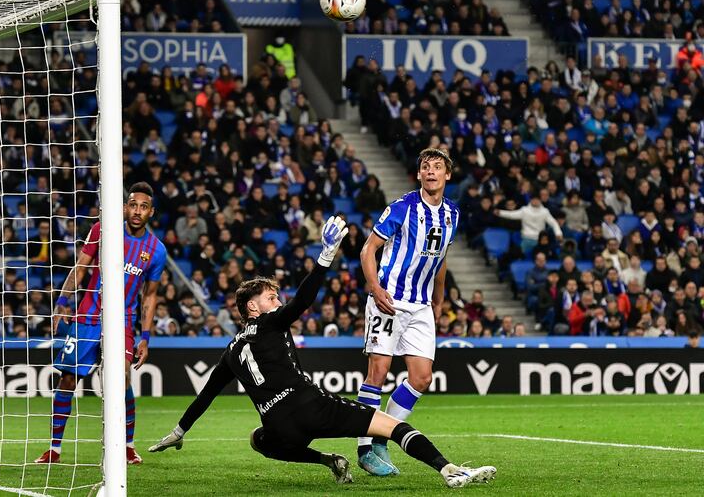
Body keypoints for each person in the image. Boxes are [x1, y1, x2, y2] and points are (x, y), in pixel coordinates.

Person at [148, 216, 495, 488]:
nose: (277, 301)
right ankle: (449, 470)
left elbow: (207, 394)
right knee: (393, 428)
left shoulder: (230, 350)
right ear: (252, 309)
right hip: (311, 407)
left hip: (279, 427)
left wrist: (179, 431)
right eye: (270, 298)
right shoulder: (271, 322)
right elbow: (303, 300)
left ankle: (328, 460)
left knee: (258, 440)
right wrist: (326, 256)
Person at [34, 182, 167, 465]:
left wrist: (145, 336)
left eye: (143, 207)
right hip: (87, 317)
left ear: (151, 213)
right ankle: (54, 450)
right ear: (124, 207)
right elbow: (80, 268)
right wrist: (62, 301)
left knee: (122, 380)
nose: (137, 211)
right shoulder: (102, 231)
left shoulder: (156, 251)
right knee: (67, 379)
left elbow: (150, 296)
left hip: (123, 324)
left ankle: (128, 447)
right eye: (133, 204)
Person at [355, 148, 460, 476]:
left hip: (421, 306)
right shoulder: (402, 207)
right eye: (426, 167)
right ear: (418, 175)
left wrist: (439, 302)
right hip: (389, 300)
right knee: (378, 373)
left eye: (437, 167)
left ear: (447, 176)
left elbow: (440, 261)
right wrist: (375, 288)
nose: (431, 172)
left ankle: (385, 435)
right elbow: (367, 250)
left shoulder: (452, 214)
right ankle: (364, 448)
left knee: (422, 377)